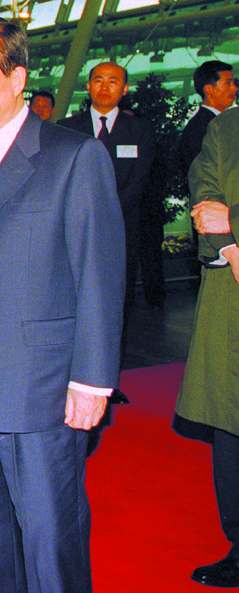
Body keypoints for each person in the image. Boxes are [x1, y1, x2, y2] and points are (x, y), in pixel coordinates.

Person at [0, 17, 124, 593]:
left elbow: (100, 272)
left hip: (40, 382)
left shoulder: (72, 156)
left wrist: (92, 380)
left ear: (17, 78)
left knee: (49, 537)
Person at [178, 106, 239, 588]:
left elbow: (226, 210)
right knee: (231, 418)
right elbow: (206, 183)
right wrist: (227, 241)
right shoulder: (227, 125)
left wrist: (234, 221)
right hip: (231, 291)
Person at [58, 61, 155, 323]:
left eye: (113, 81)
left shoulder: (140, 130)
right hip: (74, 228)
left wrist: (106, 214)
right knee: (74, 300)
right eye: (98, 80)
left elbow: (140, 180)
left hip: (123, 228)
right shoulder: (64, 128)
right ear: (88, 86)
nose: (105, 86)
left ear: (125, 89)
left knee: (118, 303)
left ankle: (114, 362)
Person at [179, 60, 235, 176]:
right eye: (228, 83)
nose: (234, 88)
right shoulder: (200, 128)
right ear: (209, 89)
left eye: (234, 83)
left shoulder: (225, 122)